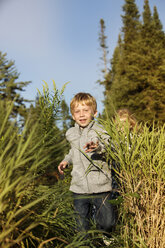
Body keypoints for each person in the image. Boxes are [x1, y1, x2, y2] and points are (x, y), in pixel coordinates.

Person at [58, 92, 116, 237]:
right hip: (79, 187)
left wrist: (97, 147)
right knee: (81, 227)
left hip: (101, 186)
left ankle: (105, 237)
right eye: (77, 111)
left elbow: (108, 146)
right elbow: (73, 151)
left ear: (94, 113)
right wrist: (66, 160)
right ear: (73, 115)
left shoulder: (100, 130)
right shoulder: (71, 133)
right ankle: (86, 244)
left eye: (86, 110)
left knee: (108, 222)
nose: (82, 115)